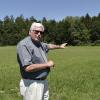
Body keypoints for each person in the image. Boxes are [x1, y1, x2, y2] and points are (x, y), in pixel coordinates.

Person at [17, 22, 67, 100]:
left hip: (42, 82)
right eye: (36, 31)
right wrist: (47, 64)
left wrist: (59, 46)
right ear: (30, 32)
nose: (39, 34)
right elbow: (28, 68)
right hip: (32, 84)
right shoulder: (24, 45)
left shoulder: (39, 43)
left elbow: (48, 46)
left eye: (41, 32)